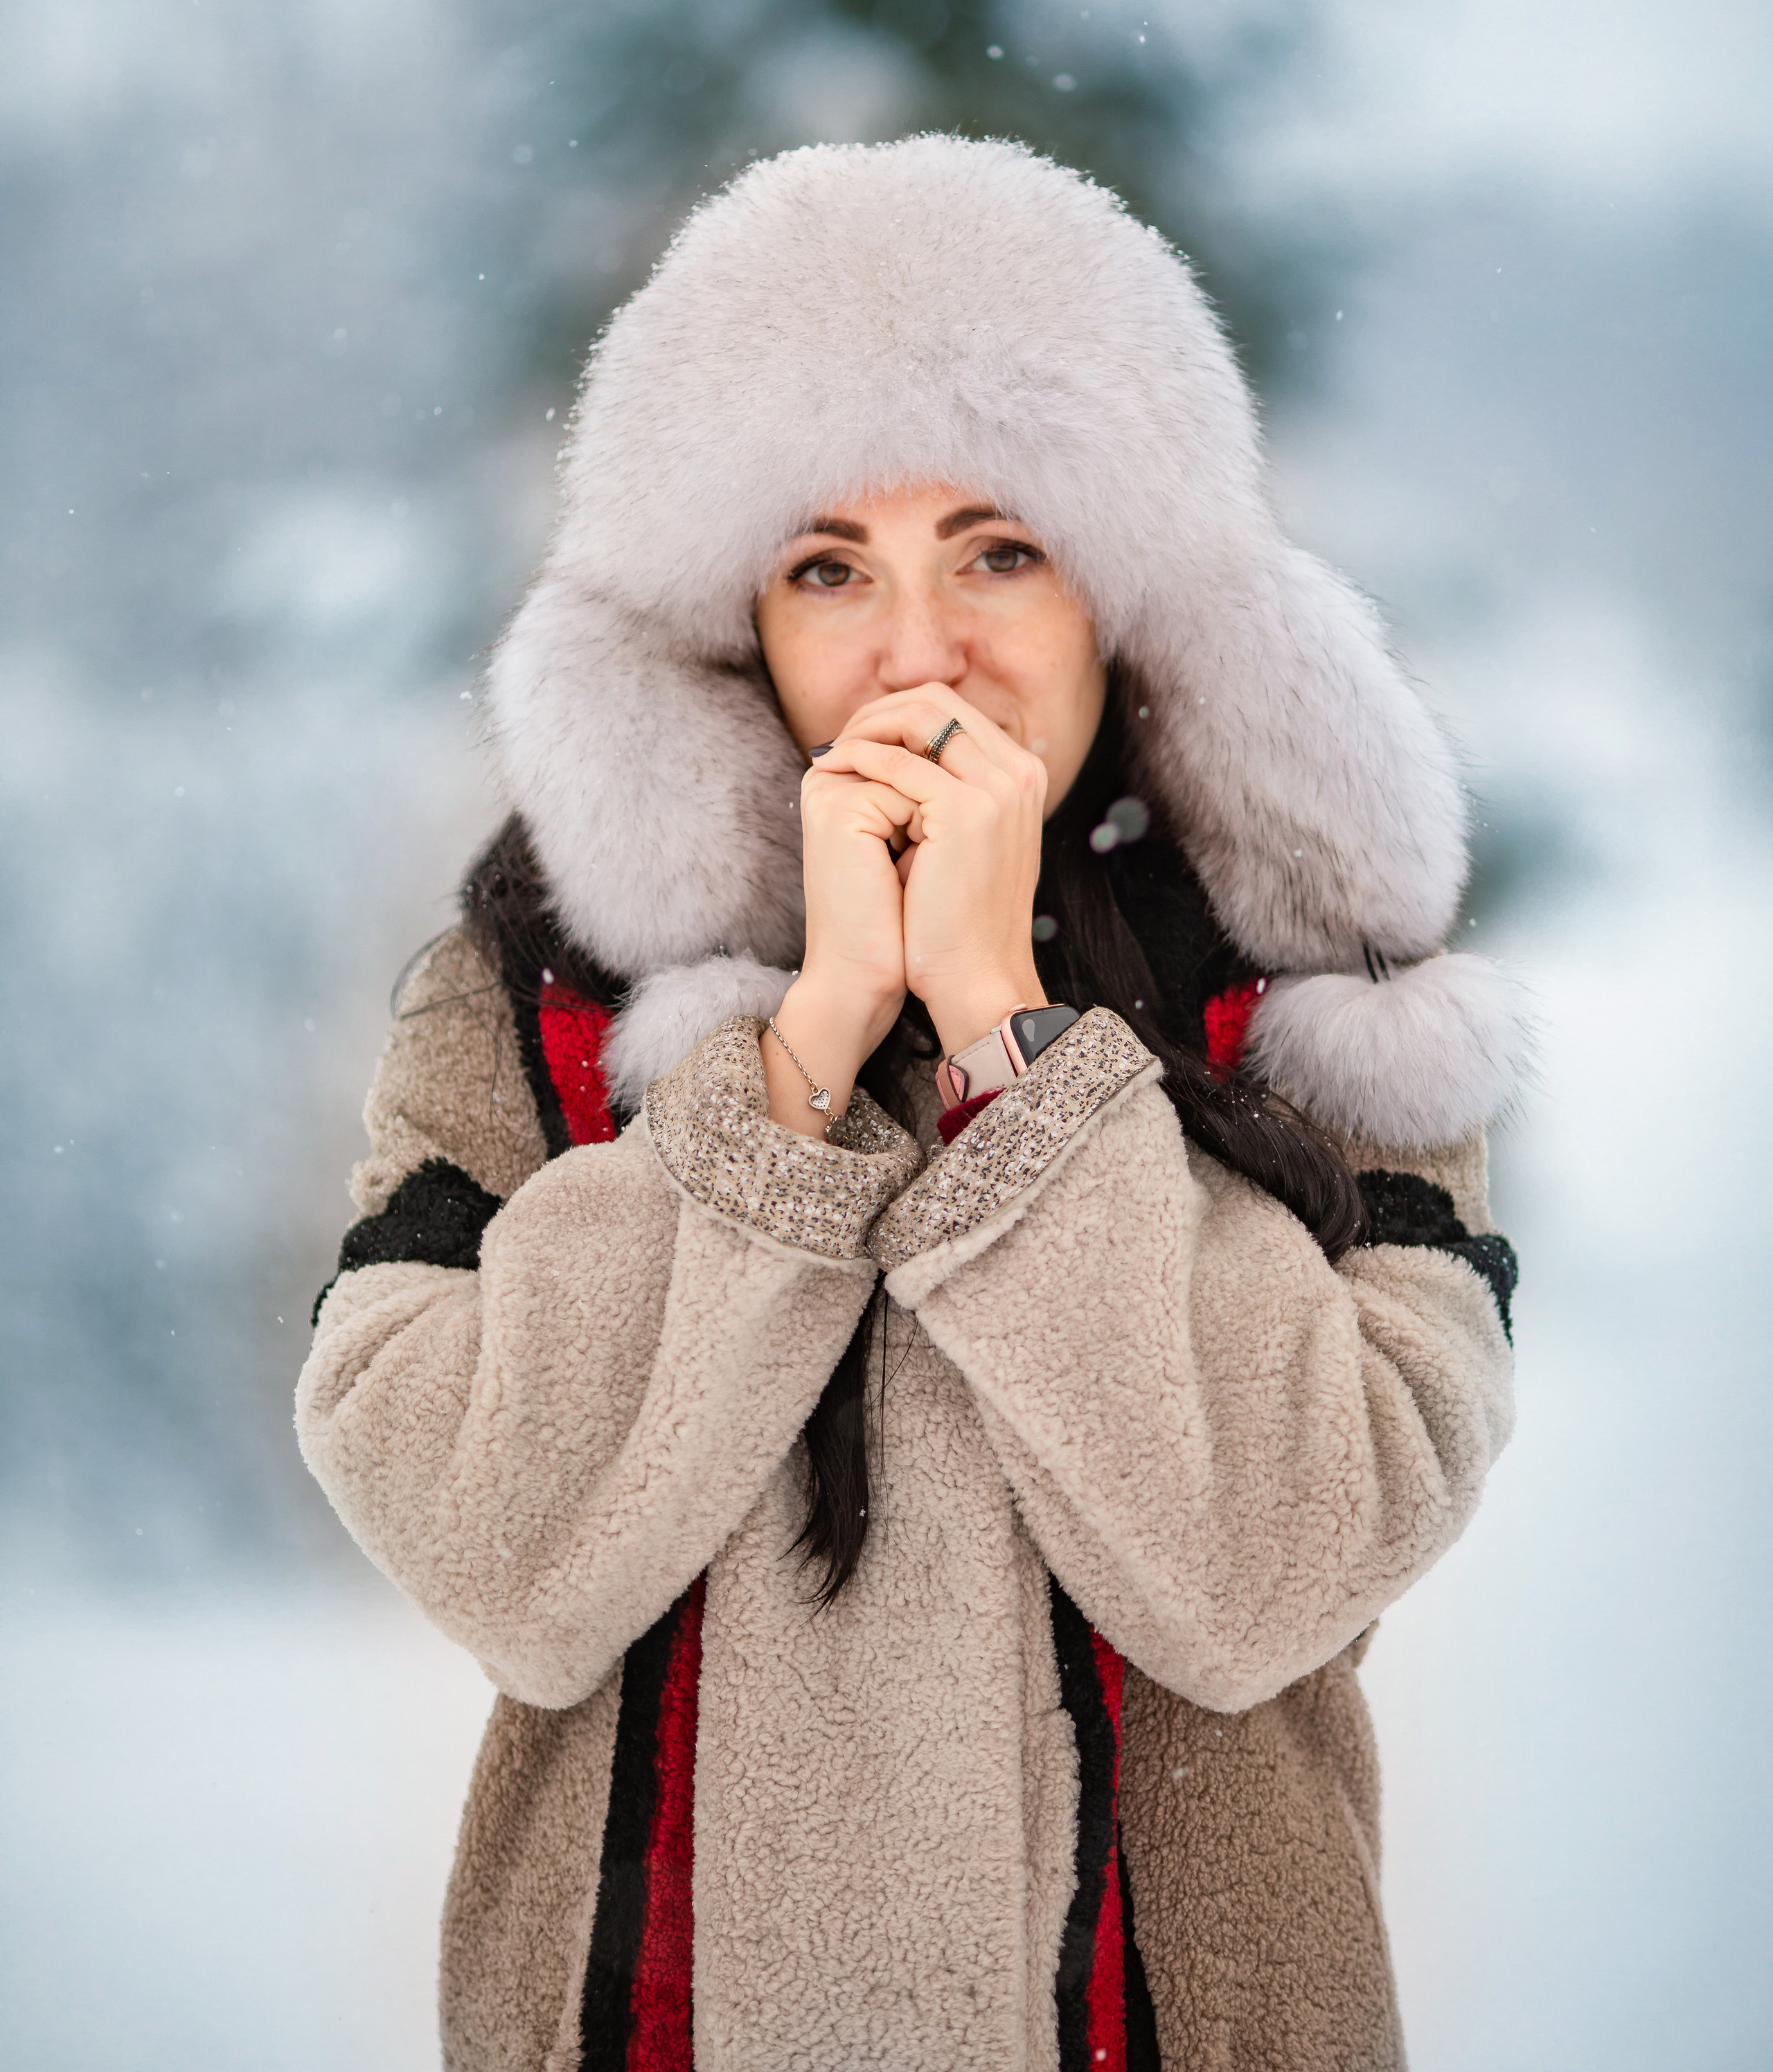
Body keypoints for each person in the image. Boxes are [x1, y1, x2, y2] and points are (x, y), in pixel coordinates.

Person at [297, 134, 1526, 2072]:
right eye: (827, 568)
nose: (918, 649)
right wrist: (796, 1067)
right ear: (734, 628)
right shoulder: (529, 994)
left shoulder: (1330, 1000)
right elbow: (497, 1548)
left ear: (1119, 597)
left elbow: (1273, 1568)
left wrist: (1000, 1028)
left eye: (999, 551)